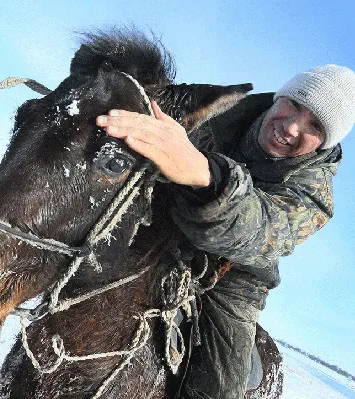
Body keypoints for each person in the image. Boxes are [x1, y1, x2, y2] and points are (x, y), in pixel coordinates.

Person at [96, 64, 355, 399]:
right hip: (157, 222)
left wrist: (207, 176)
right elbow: (150, 102)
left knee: (219, 385)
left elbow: (263, 230)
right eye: (293, 104)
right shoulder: (220, 107)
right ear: (279, 97)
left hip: (232, 274)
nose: (291, 127)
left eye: (315, 125)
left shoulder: (315, 194)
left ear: (324, 143)